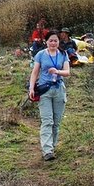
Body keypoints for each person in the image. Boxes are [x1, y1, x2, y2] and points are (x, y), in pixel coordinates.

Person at [29, 32, 71, 161]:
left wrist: (57, 71)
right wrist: (31, 88)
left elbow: (67, 72)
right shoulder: (40, 55)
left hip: (59, 89)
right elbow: (35, 72)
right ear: (46, 42)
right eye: (51, 41)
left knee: (56, 122)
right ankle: (47, 150)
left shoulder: (63, 54)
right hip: (45, 90)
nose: (53, 43)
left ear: (59, 42)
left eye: (56, 41)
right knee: (47, 121)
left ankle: (52, 146)